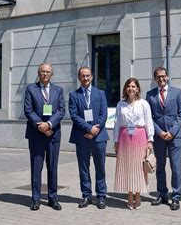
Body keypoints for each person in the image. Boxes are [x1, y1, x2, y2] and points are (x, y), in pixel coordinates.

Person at [24, 63, 65, 211]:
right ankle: (35, 198)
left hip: (53, 134)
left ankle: (52, 198)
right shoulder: (30, 89)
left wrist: (49, 124)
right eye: (42, 72)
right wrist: (40, 126)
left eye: (48, 72)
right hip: (36, 134)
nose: (45, 74)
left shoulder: (58, 90)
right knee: (36, 167)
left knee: (52, 167)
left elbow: (61, 111)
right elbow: (28, 110)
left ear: (51, 74)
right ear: (38, 73)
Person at [68, 66, 108, 209]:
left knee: (100, 167)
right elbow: (74, 115)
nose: (85, 78)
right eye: (83, 76)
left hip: (99, 136)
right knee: (83, 167)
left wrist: (95, 129)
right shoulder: (74, 95)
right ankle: (86, 195)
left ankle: (101, 196)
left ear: (91, 77)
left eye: (88, 76)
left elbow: (104, 113)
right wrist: (88, 128)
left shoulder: (100, 93)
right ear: (79, 78)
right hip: (82, 136)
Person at [146, 67, 181, 211]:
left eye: (163, 76)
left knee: (176, 167)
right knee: (160, 167)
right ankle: (162, 194)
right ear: (155, 79)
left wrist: (172, 131)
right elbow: (149, 117)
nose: (161, 79)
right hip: (159, 136)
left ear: (167, 77)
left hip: (174, 136)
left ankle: (175, 197)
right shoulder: (150, 95)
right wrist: (160, 132)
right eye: (158, 77)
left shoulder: (177, 92)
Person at [113, 78, 154, 210]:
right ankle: (129, 196)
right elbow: (117, 123)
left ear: (137, 89)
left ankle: (138, 195)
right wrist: (116, 141)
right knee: (127, 167)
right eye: (128, 86)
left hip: (140, 137)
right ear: (125, 89)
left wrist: (150, 140)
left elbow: (149, 121)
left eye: (133, 86)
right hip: (124, 137)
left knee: (139, 168)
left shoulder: (143, 103)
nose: (131, 88)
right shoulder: (121, 104)